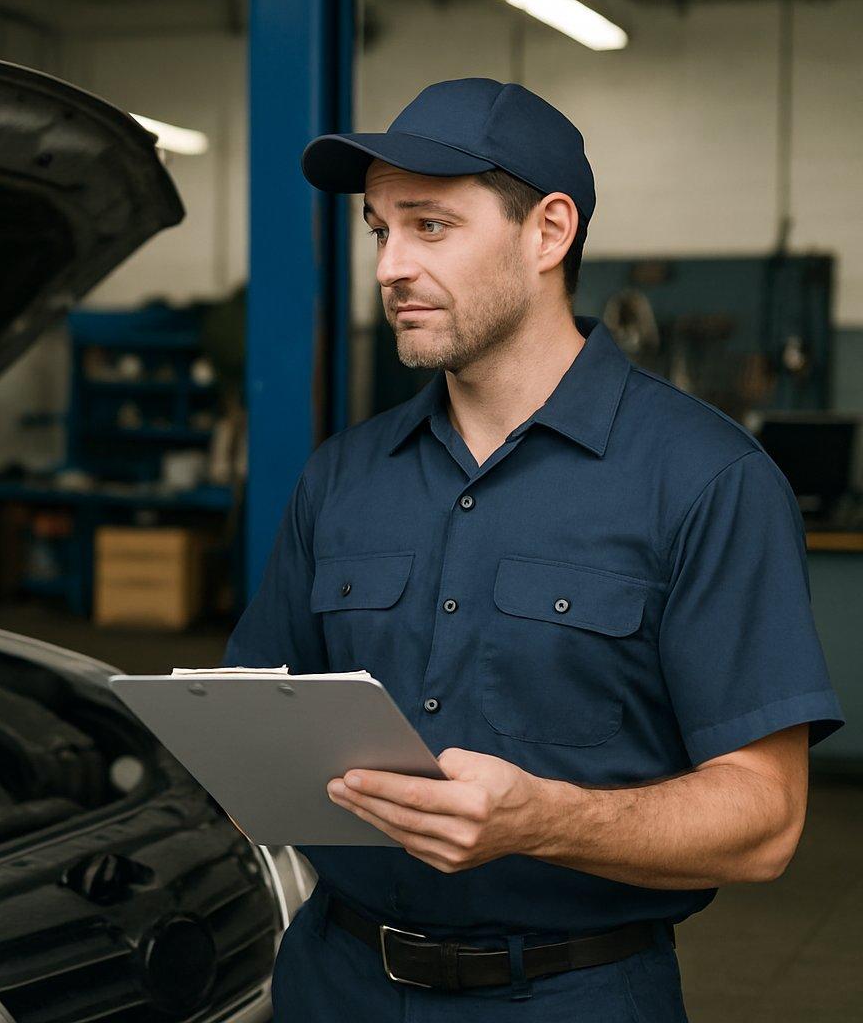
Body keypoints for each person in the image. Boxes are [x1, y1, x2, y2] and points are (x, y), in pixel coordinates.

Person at [226, 78, 844, 1021]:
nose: (390, 266)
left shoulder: (707, 479)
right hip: (331, 982)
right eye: (379, 230)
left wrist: (545, 821)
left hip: (571, 994)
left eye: (430, 226)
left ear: (548, 232)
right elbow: (255, 717)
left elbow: (764, 820)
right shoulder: (342, 477)